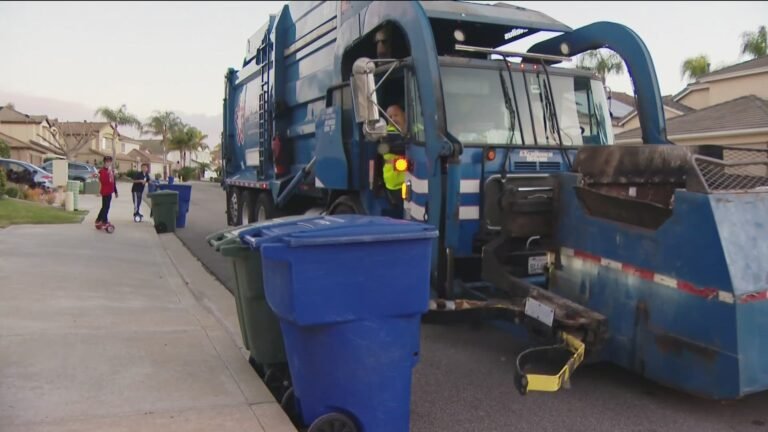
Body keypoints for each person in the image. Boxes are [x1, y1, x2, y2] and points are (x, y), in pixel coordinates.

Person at [382, 104, 408, 198]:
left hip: (416, 179)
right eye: (390, 117)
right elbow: (404, 146)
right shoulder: (387, 134)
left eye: (396, 115)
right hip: (397, 184)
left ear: (404, 115)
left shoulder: (417, 128)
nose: (393, 119)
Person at [95, 156, 118, 228]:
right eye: (107, 162)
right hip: (105, 191)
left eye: (110, 162)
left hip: (110, 191)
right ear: (104, 162)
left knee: (105, 206)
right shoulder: (102, 171)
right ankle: (104, 221)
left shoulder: (111, 171)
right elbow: (102, 181)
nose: (108, 163)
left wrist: (116, 191)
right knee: (106, 207)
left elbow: (113, 182)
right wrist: (99, 192)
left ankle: (99, 219)